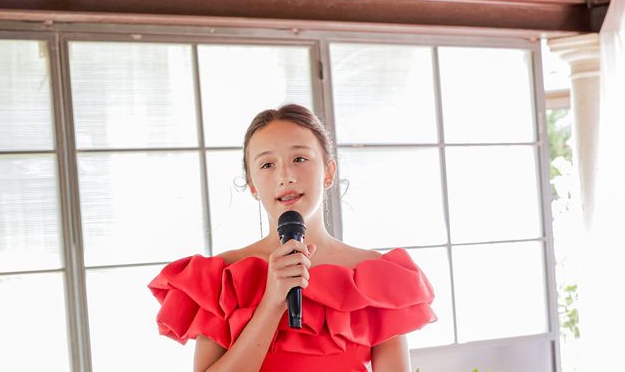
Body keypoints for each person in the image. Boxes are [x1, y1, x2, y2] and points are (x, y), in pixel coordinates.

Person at [148, 103, 436, 372]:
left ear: (329, 172)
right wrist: (272, 303)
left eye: (299, 158)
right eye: (267, 165)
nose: (285, 175)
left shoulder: (377, 275)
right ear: (252, 185)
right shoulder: (220, 278)